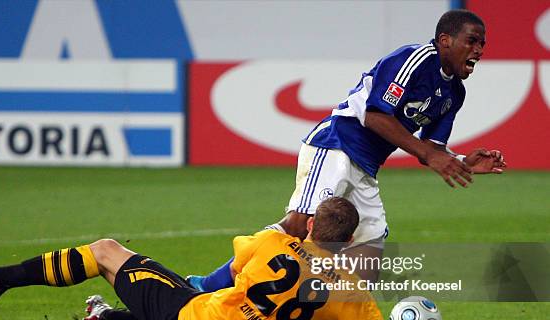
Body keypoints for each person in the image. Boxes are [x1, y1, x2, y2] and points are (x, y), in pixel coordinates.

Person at [186, 8, 506, 292]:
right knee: (301, 224)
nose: (478, 50)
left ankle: (303, 312)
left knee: (369, 253)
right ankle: (206, 286)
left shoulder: (455, 93)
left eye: (483, 44)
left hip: (366, 167)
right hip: (336, 145)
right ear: (445, 40)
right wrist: (428, 154)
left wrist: (460, 161)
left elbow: (432, 148)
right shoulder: (416, 60)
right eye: (472, 41)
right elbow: (374, 115)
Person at [0, 197, 440, 320]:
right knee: (194, 292)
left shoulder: (268, 247)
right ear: (349, 240)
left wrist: (288, 231)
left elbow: (243, 258)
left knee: (106, 252)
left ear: (312, 226)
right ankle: (107, 318)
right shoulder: (350, 294)